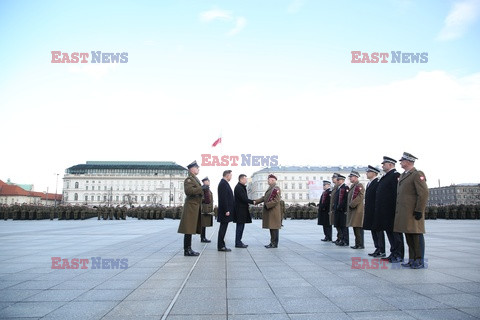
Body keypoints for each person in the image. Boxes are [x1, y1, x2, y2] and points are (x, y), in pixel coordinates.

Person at [395, 152, 428, 269]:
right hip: (405, 212)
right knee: (409, 236)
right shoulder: (404, 175)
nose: (400, 162)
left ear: (409, 161)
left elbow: (423, 193)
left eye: (402, 160)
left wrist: (419, 210)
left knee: (416, 236)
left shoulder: (417, 174)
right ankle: (412, 259)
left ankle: (419, 261)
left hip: (413, 212)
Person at [374, 156, 404, 263]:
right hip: (385, 211)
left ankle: (399, 254)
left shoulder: (395, 175)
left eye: (384, 164)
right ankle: (393, 253)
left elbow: (397, 194)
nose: (382, 166)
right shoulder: (386, 176)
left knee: (396, 234)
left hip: (392, 210)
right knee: (390, 233)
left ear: (390, 165)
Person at [177, 161, 203, 256]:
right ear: (192, 169)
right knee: (188, 229)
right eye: (197, 168)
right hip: (191, 206)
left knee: (190, 229)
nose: (198, 169)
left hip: (194, 206)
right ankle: (187, 250)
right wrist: (202, 189)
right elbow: (188, 191)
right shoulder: (189, 179)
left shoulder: (194, 179)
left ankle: (189, 248)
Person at [254, 174, 282, 248]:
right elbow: (265, 197)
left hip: (273, 211)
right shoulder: (270, 188)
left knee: (274, 228)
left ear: (272, 180)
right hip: (270, 211)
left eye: (268, 180)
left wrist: (267, 205)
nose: (267, 181)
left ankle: (274, 244)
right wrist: (256, 201)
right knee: (271, 227)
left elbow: (276, 200)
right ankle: (272, 242)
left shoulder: (276, 188)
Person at [363, 165, 384, 257]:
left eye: (368, 172)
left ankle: (381, 249)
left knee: (378, 231)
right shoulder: (370, 183)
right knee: (373, 230)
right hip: (370, 211)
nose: (367, 174)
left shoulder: (377, 182)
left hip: (376, 211)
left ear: (374, 173)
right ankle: (377, 248)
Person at [233, 174, 254, 248]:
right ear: (241, 179)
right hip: (240, 211)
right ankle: (238, 242)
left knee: (241, 226)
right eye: (245, 179)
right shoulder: (239, 187)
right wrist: (253, 202)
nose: (246, 180)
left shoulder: (241, 187)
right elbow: (243, 199)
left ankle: (239, 241)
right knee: (240, 227)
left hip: (241, 210)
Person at [347, 170, 365, 249]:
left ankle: (360, 244)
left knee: (358, 227)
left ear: (356, 177)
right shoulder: (353, 186)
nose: (350, 178)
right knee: (355, 227)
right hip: (354, 209)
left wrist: (352, 204)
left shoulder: (359, 185)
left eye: (351, 177)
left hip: (357, 210)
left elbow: (360, 197)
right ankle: (357, 243)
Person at [217, 170, 234, 252]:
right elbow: (223, 198)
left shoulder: (224, 183)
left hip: (225, 210)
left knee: (223, 227)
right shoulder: (223, 184)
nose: (231, 177)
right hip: (225, 211)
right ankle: (221, 246)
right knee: (223, 228)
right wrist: (226, 210)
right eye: (231, 175)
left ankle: (221, 244)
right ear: (227, 175)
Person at [333, 174, 350, 246]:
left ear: (342, 180)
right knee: (339, 225)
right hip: (338, 210)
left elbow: (345, 199)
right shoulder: (339, 188)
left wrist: (340, 206)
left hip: (342, 210)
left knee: (343, 226)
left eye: (338, 180)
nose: (337, 181)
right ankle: (342, 239)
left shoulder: (345, 187)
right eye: (337, 180)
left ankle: (345, 241)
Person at [200, 177, 214, 243]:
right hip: (204, 209)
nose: (208, 182)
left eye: (208, 181)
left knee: (205, 224)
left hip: (207, 208)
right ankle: (202, 238)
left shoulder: (207, 189)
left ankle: (203, 237)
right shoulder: (203, 189)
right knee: (203, 224)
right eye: (207, 181)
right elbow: (202, 198)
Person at [329, 173, 339, 243]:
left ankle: (341, 238)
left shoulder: (338, 187)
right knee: (337, 224)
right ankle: (339, 238)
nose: (333, 179)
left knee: (339, 225)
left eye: (334, 178)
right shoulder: (335, 187)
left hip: (338, 208)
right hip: (334, 208)